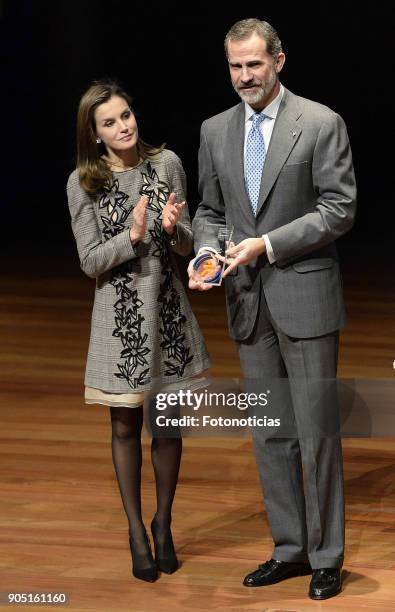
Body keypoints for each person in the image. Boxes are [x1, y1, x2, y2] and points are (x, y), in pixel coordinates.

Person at [188, 18, 356, 600]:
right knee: (270, 433)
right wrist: (207, 251)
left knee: (317, 434)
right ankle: (290, 549)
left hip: (304, 296)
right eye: (235, 66)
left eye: (253, 64)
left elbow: (339, 208)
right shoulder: (214, 130)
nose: (244, 77)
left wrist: (269, 244)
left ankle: (327, 556)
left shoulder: (320, 122)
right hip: (246, 300)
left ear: (278, 61)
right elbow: (210, 210)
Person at [67, 80, 211, 583]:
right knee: (125, 425)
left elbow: (189, 243)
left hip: (169, 314)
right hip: (119, 323)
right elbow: (89, 262)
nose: (123, 126)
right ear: (95, 134)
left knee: (168, 425)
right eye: (109, 122)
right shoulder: (83, 183)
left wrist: (173, 230)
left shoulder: (167, 164)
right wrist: (129, 238)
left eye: (126, 115)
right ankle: (135, 530)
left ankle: (164, 522)